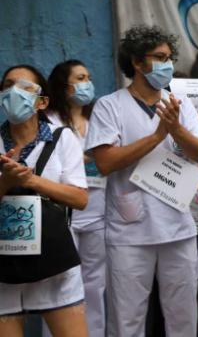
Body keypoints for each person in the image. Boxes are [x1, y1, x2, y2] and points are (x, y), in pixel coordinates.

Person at [86, 25, 198, 337]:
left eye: (170, 57)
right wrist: (157, 136)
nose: (167, 64)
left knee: (183, 317)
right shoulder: (109, 106)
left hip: (178, 226)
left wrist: (176, 130)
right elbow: (105, 162)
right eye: (159, 57)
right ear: (138, 63)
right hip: (130, 230)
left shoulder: (182, 104)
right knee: (127, 320)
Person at [0, 65, 89, 337]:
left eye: (25, 88)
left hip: (53, 260)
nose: (15, 92)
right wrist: (6, 182)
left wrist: (31, 181)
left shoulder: (63, 139)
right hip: (4, 266)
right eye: (8, 85)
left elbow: (80, 198)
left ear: (42, 102)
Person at [47, 60, 106, 337]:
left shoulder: (98, 119)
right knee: (60, 283)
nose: (87, 84)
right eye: (80, 78)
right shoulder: (48, 121)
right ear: (64, 84)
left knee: (95, 283)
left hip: (98, 209)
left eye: (89, 77)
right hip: (63, 210)